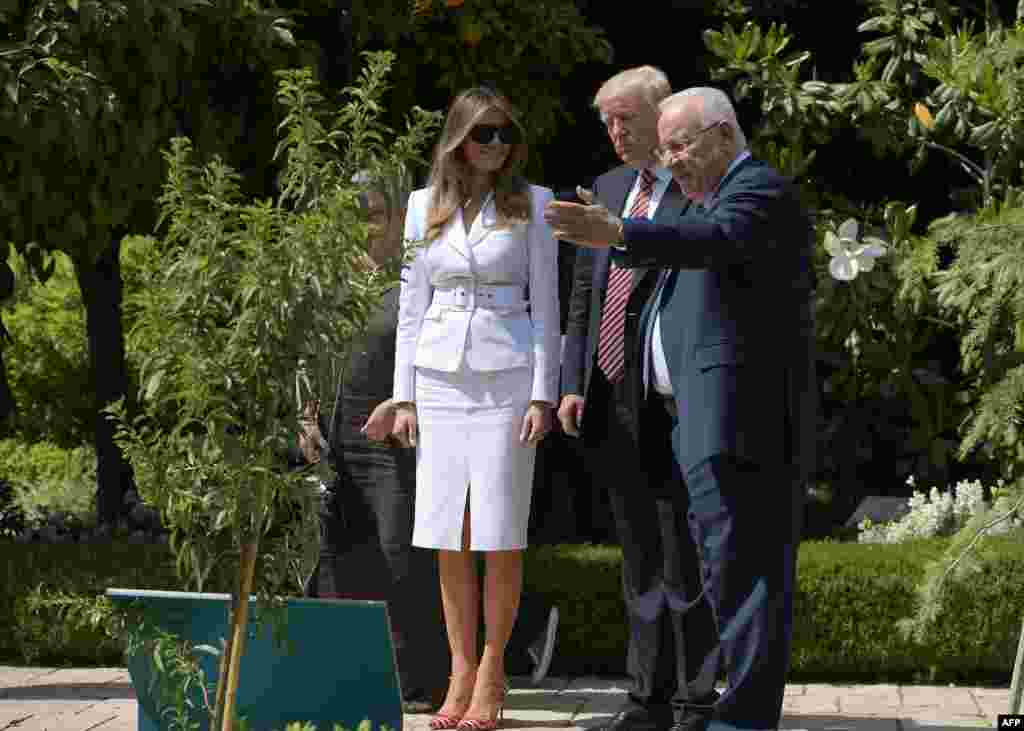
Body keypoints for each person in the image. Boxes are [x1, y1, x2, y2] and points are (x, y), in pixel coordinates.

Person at [544, 87, 818, 731]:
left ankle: (741, 721)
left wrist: (619, 233)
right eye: (663, 149)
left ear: (723, 134)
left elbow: (713, 240)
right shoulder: (707, 204)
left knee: (747, 581)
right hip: (699, 425)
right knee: (727, 577)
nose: (670, 162)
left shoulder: (757, 193)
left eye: (679, 146)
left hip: (742, 431)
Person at [390, 86, 560, 730]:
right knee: (446, 532)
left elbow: (545, 306)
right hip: (438, 380)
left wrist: (544, 392)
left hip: (508, 377)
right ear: (457, 137)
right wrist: (403, 395)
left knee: (497, 528)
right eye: (482, 133)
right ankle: (459, 668)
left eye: (504, 134)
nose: (494, 146)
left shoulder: (535, 205)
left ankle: (493, 667)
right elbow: (411, 305)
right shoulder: (420, 207)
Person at [557, 67, 719, 731]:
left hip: (670, 401)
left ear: (661, 114)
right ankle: (644, 698)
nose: (616, 133)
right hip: (611, 397)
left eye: (626, 118)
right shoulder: (608, 189)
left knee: (685, 555)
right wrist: (571, 380)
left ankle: (695, 700)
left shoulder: (693, 190)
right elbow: (583, 296)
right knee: (639, 557)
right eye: (608, 123)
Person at [298, 171, 450, 714]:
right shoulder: (325, 288)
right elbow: (307, 363)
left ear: (395, 220)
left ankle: (420, 681)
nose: (364, 226)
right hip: (334, 438)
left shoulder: (412, 283)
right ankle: (342, 675)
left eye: (375, 214)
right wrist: (305, 417)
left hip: (393, 442)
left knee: (400, 554)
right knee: (336, 555)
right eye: (353, 215)